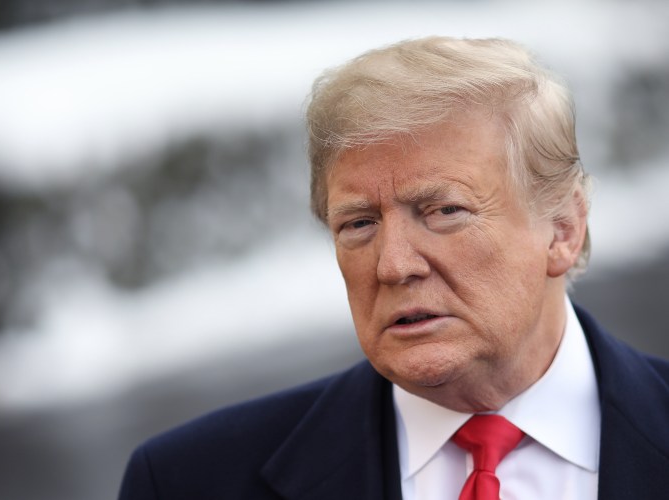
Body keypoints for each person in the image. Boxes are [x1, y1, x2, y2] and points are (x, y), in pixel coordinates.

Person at [117, 37, 669, 499]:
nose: (393, 265)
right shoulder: (188, 481)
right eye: (358, 224)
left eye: (443, 212)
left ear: (564, 229)